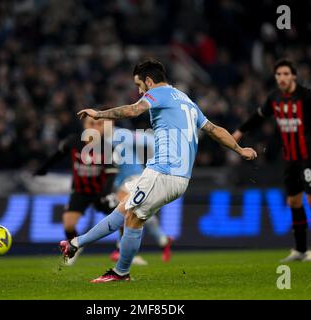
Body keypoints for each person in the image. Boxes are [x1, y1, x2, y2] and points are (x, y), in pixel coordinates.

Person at [60, 59, 257, 282]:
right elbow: (214, 130)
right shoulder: (186, 100)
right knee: (127, 211)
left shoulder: (158, 94)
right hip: (178, 177)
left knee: (130, 216)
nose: (139, 90)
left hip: (164, 171)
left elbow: (133, 111)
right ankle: (77, 244)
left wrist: (99, 114)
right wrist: (239, 149)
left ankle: (117, 270)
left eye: (139, 85)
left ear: (149, 81)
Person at [233, 59, 311, 262]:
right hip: (290, 159)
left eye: (286, 74)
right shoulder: (275, 98)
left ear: (293, 76)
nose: (282, 78)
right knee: (293, 201)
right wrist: (239, 131)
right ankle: (300, 249)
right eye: (278, 74)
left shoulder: (308, 95)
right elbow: (258, 116)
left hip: (309, 157)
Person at [34, 116, 118, 265]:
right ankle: (75, 247)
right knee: (68, 224)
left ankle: (122, 250)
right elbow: (58, 155)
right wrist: (44, 168)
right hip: (80, 191)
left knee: (123, 218)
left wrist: (106, 194)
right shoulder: (73, 141)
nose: (94, 127)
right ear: (84, 125)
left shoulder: (106, 147)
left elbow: (111, 173)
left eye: (98, 124)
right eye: (90, 123)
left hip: (101, 192)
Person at [109, 127, 173, 265]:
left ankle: (123, 251)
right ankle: (163, 240)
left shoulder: (113, 136)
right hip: (130, 178)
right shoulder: (110, 137)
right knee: (138, 213)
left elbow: (146, 139)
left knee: (126, 212)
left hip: (133, 177)